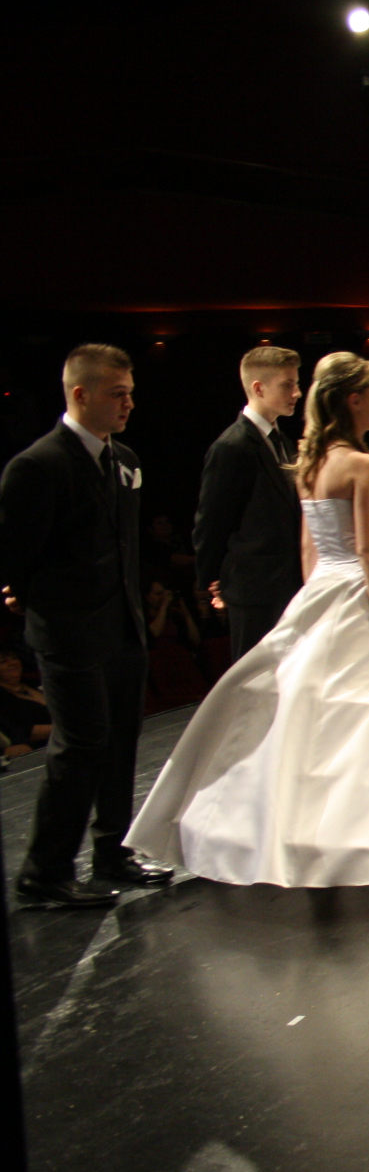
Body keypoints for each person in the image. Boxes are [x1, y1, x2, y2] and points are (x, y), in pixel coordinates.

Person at [126, 352, 369, 887]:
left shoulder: (311, 462)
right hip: (359, 590)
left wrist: (314, 600)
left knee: (314, 711)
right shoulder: (359, 465)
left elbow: (311, 546)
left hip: (325, 588)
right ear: (353, 401)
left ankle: (304, 830)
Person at [0, 344, 170, 905]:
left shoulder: (126, 460)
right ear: (81, 394)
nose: (129, 404)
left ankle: (112, 851)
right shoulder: (38, 465)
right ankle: (44, 872)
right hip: (69, 632)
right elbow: (16, 555)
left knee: (120, 742)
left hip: (122, 629)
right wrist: (32, 601)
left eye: (130, 393)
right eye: (118, 394)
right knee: (80, 745)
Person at [194, 346, 304, 660]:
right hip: (253, 587)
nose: (297, 393)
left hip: (287, 583)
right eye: (287, 385)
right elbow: (211, 520)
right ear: (258, 388)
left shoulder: (282, 441)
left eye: (296, 383)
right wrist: (212, 579)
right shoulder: (232, 446)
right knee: (254, 676)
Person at [143, 578, 207, 710]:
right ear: (147, 597)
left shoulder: (173, 615)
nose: (162, 597)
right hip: (159, 665)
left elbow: (195, 640)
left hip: (180, 661)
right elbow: (154, 633)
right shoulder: (143, 618)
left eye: (164, 593)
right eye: (158, 594)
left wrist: (186, 615)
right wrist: (164, 606)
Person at [0, 649, 52, 749]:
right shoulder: (3, 698)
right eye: (3, 662)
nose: (13, 663)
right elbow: (21, 730)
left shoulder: (34, 683)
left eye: (14, 658)